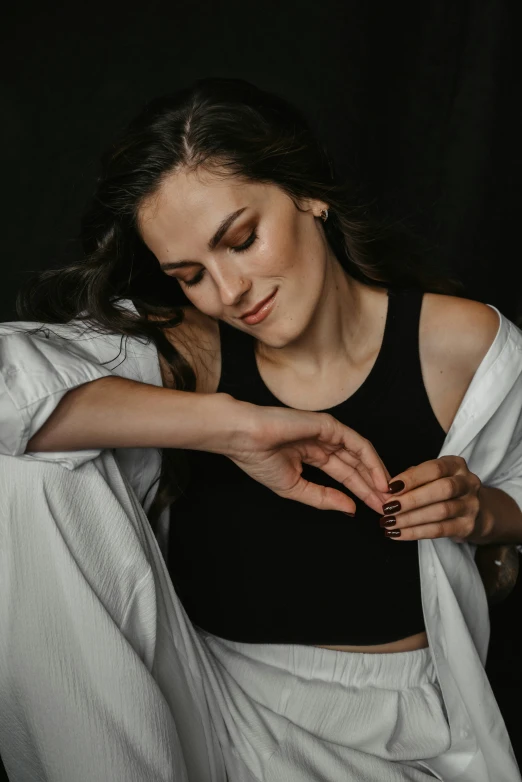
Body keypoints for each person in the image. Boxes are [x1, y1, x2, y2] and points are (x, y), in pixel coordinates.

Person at [0, 77, 521, 782]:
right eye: (191, 275)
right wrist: (226, 423)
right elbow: (13, 394)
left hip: (395, 727)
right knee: (27, 463)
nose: (229, 291)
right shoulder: (188, 349)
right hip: (201, 704)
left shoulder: (461, 343)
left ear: (308, 192)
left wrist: (481, 509)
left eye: (241, 240)